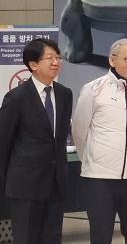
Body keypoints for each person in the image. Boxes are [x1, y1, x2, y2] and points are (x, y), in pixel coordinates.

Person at [72, 38, 127, 244]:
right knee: (101, 237)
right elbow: (79, 131)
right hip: (100, 178)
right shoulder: (93, 89)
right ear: (112, 60)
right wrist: (92, 159)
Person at [0, 39, 73, 244]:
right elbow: (3, 142)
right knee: (27, 239)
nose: (56, 62)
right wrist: (10, 181)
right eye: (49, 58)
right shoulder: (16, 98)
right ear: (33, 64)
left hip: (56, 183)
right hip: (25, 186)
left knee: (52, 238)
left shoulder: (64, 94)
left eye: (58, 57)